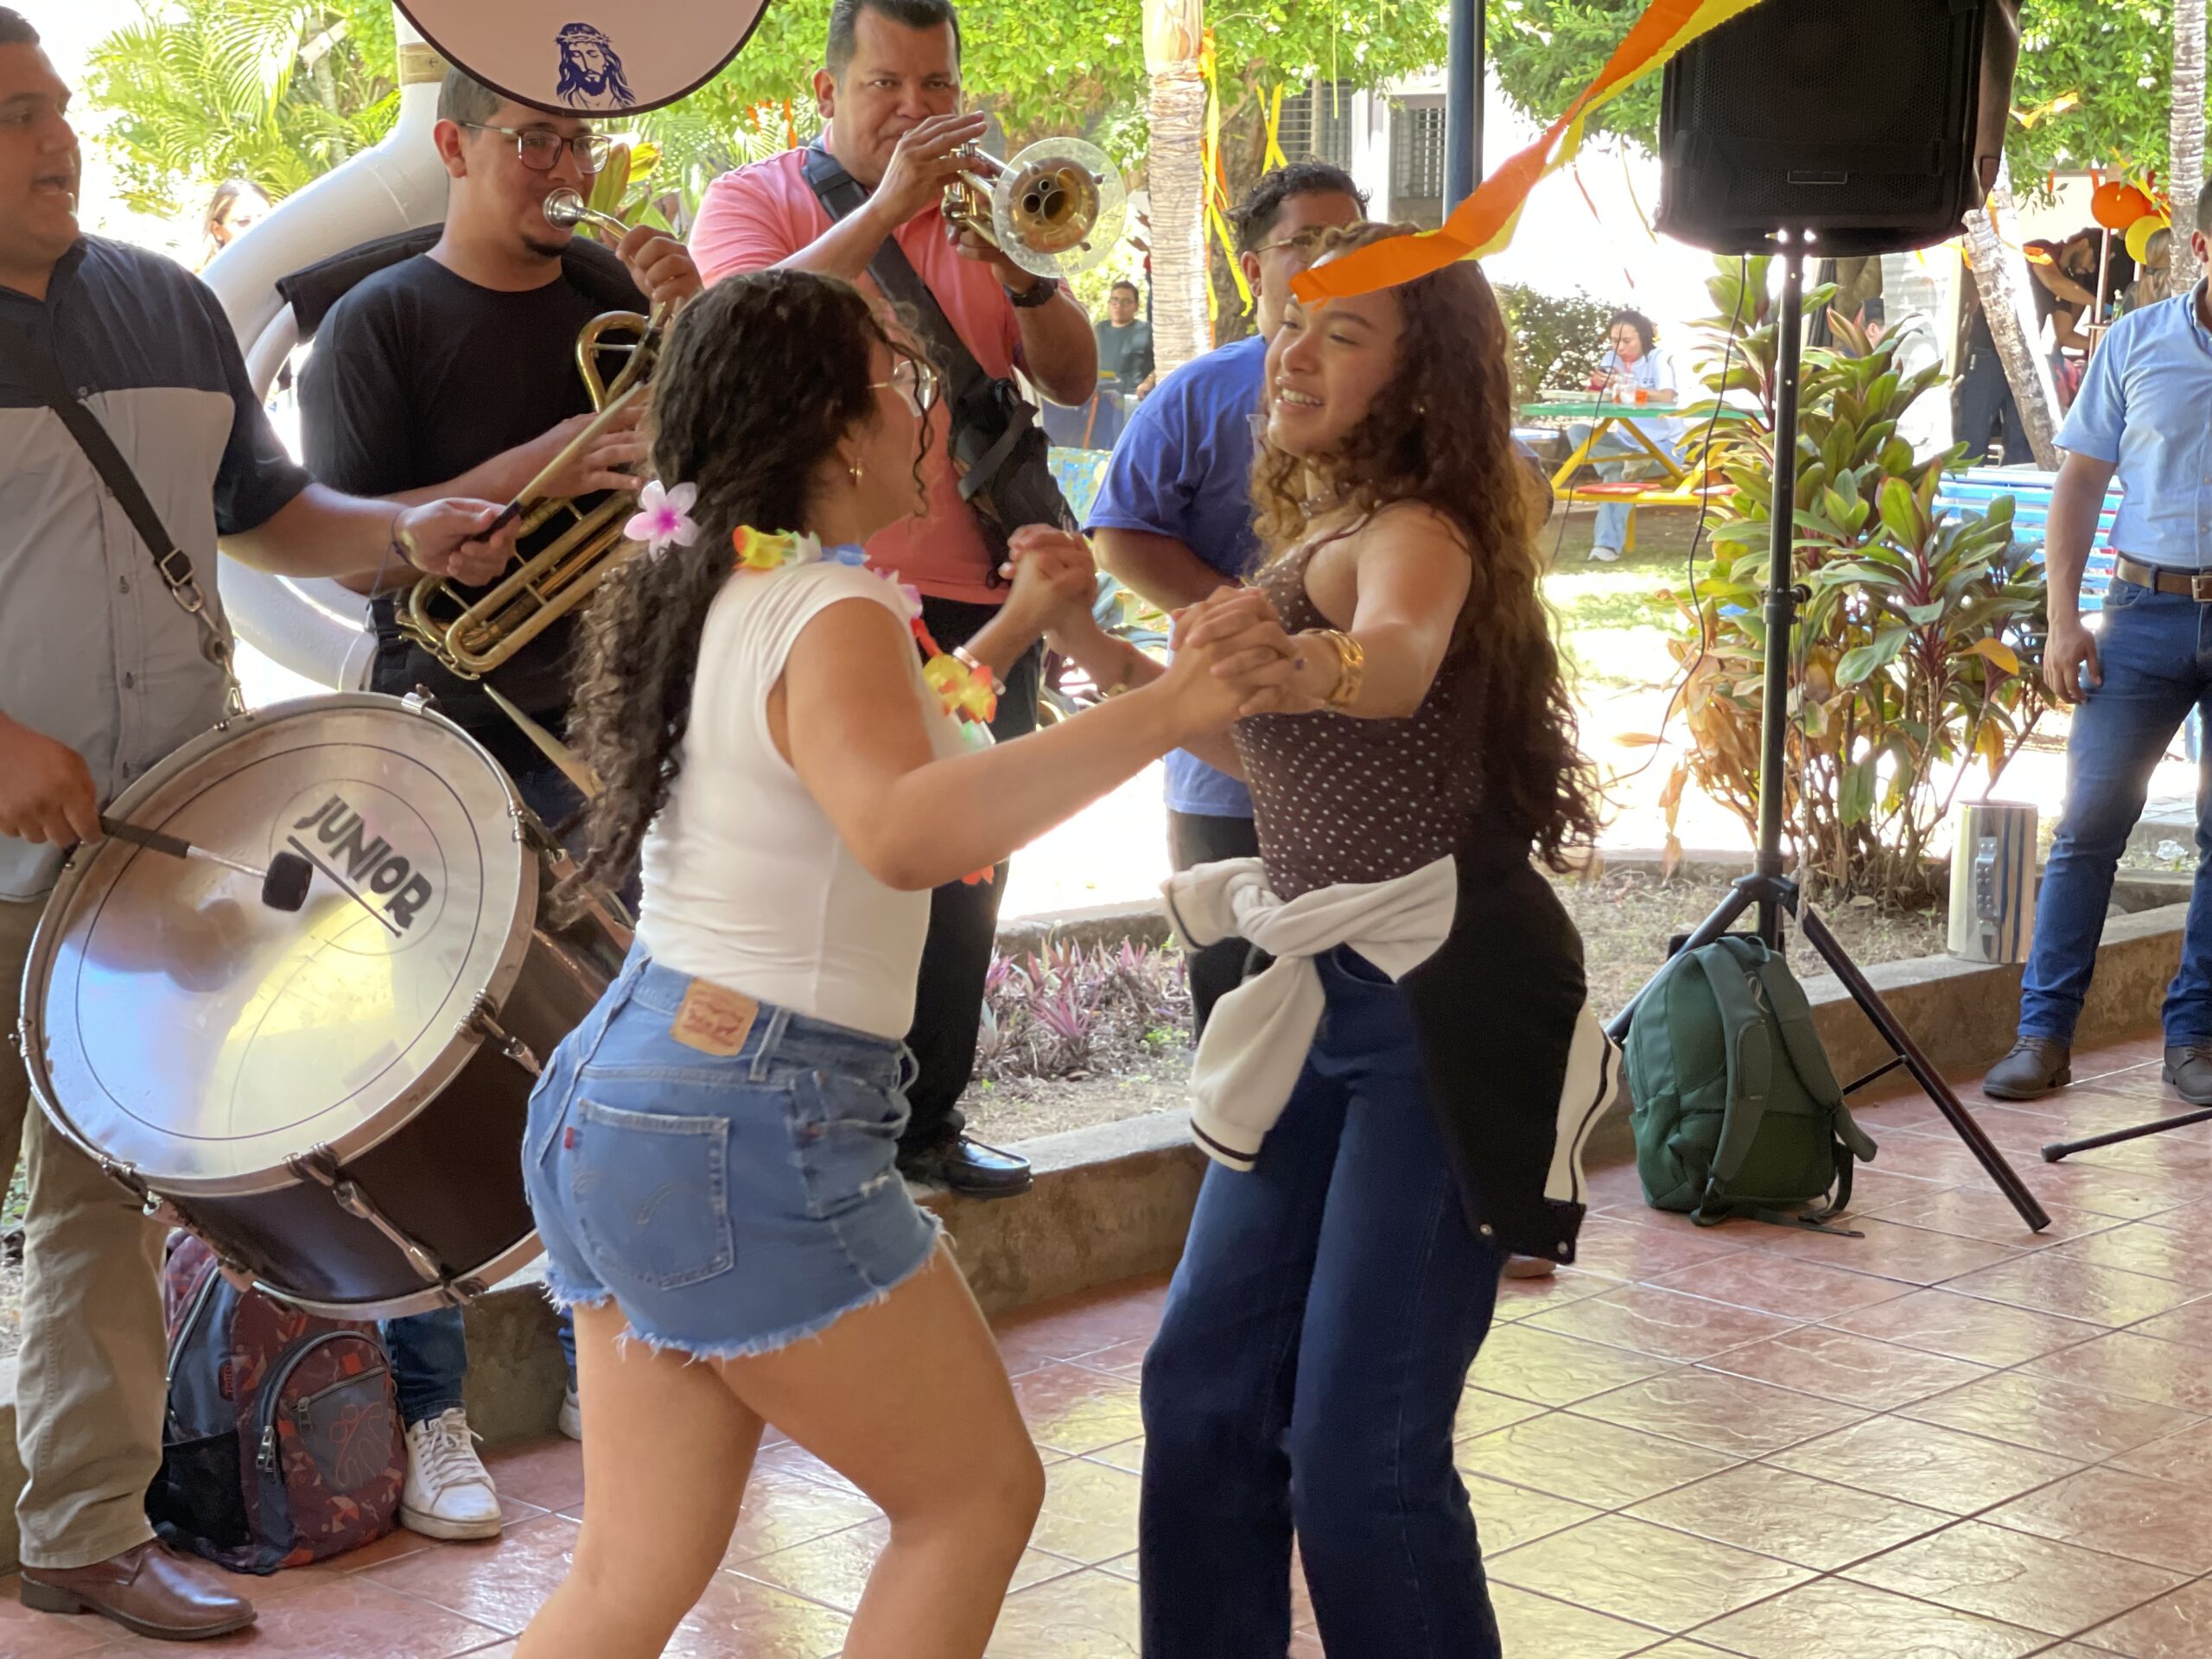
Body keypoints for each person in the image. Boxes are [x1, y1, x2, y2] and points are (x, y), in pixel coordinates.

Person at [509, 269, 1271, 1659]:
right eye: (908, 383)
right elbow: (906, 828)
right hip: (750, 1111)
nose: (929, 414)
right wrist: (1171, 706)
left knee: (629, 1577)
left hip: (628, 1093)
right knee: (972, 1500)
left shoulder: (731, 581)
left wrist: (1023, 627)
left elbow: (902, 737)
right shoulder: (828, 605)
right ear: (837, 420)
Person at [0, 11, 516, 1641]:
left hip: (147, 856)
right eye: (15, 116)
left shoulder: (166, 303)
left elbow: (269, 514)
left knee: (97, 1204)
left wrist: (405, 535)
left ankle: (80, 1531)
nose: (58, 140)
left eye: (56, 106)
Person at [1101, 221, 1610, 1656]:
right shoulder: (1325, 526)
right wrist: (1082, 635)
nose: (1294, 352)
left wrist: (1314, 659)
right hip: (1322, 991)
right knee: (1205, 1396)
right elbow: (1278, 756)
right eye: (1288, 323)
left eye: (1343, 332)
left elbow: (1393, 656)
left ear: (1422, 373)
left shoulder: (1419, 530)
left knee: (1359, 1454)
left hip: (1443, 1002)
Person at [299, 65, 703, 1528]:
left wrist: (695, 324)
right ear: (454, 146)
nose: (563, 168)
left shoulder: (610, 292)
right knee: (425, 1079)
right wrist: (564, 461)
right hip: (448, 722)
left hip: (615, 719)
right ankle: (433, 1417)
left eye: (577, 141)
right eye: (532, 141)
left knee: (623, 1059)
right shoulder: (376, 322)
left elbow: (709, 482)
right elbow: (358, 550)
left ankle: (615, 1367)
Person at [688, 0, 1100, 1198]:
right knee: (825, 866)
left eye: (937, 86)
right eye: (886, 85)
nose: (916, 110)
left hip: (977, 590)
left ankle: (927, 1122)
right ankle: (817, 1134)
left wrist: (1026, 278)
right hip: (813, 586)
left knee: (970, 872)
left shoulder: (988, 210)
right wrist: (883, 211)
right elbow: (739, 334)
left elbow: (1074, 381)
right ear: (828, 93)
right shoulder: (755, 199)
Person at [1089, 161, 1365, 1034]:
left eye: (1349, 239)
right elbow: (1119, 535)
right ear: (1253, 269)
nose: (1331, 258)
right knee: (1241, 1023)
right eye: (1306, 242)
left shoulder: (1412, 389)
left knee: (1363, 1019)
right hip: (1224, 772)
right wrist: (1246, 615)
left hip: (1372, 772)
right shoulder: (1196, 392)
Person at [1985, 183, 2212, 1110]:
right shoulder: (2135, 342)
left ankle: (2194, 1038)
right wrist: (2063, 617)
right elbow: (2080, 483)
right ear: (2203, 249)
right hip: (2143, 610)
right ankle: (2042, 1036)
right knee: (2087, 828)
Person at [1570, 307, 1681, 562]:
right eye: (1614, 341)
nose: (1619, 347)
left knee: (1616, 473)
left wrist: (1628, 388)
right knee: (1577, 432)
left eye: (1626, 341)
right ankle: (1627, 463)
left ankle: (1605, 547)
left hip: (1664, 447)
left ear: (1643, 338)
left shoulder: (1659, 358)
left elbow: (1667, 397)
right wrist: (1597, 385)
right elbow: (1598, 395)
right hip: (1627, 444)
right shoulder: (1611, 358)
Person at [1094, 276, 1154, 397]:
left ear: (1136, 306)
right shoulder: (1099, 329)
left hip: (1132, 397)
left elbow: (1166, 359)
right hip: (1099, 397)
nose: (1119, 305)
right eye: (1114, 300)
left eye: (1126, 302)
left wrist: (1150, 380)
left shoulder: (1146, 330)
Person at [197, 178, 268, 271]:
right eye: (243, 222)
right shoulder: (209, 277)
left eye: (266, 218)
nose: (257, 227)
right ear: (217, 230)